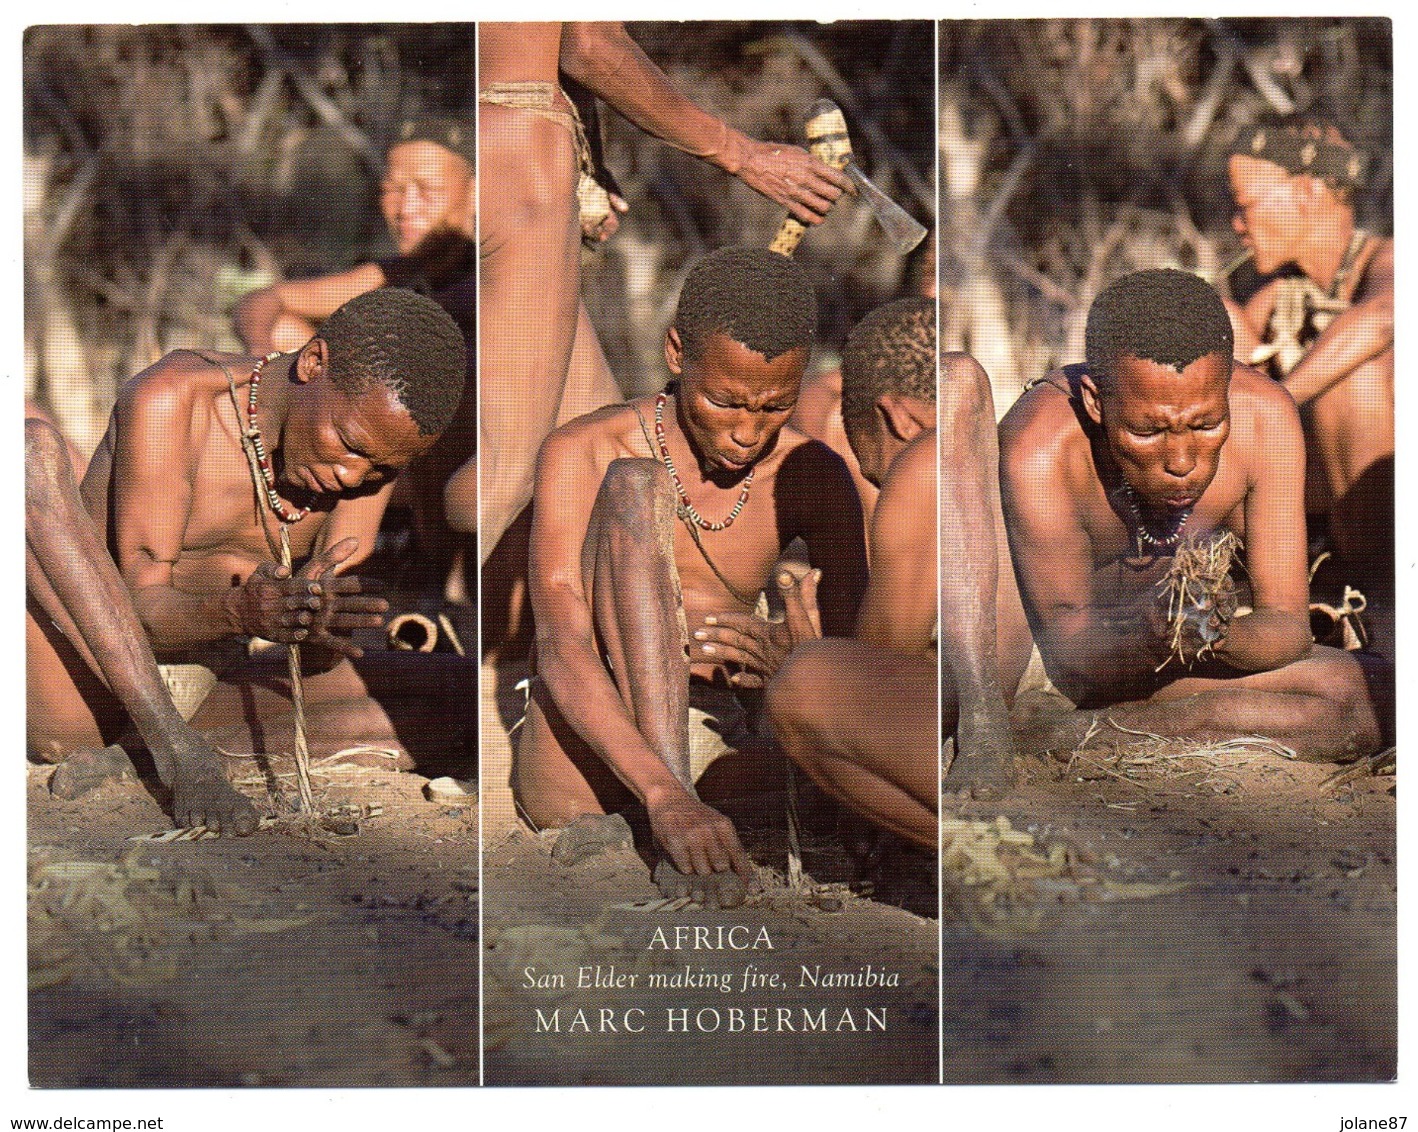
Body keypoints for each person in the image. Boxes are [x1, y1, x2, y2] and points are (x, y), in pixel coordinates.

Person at [513, 247, 868, 907]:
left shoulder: (811, 475)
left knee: (841, 788)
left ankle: (682, 815)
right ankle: (670, 812)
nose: (746, 433)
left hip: (720, 739)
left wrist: (793, 665)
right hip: (592, 751)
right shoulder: (584, 452)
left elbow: (858, 665)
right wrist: (666, 795)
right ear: (677, 353)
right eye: (727, 402)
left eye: (773, 408)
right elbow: (560, 645)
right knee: (634, 489)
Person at [27, 288, 474, 805]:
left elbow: (313, 660)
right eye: (348, 445)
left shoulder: (370, 461)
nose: (353, 476)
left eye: (381, 467)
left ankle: (136, 759)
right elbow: (140, 610)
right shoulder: (179, 398)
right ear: (313, 362)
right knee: (28, 454)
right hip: (85, 676)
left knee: (463, 694)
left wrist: (314, 624)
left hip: (206, 686)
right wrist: (240, 612)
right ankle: (174, 752)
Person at [477, 22, 853, 565]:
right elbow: (587, 42)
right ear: (675, 351)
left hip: (514, 133)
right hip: (521, 137)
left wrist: (586, 158)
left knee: (593, 446)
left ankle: (513, 636)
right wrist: (742, 154)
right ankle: (459, 629)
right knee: (506, 471)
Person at [998, 269, 1388, 763]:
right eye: (1147, 432)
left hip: (1176, 663)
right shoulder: (1041, 446)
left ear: (1228, 386)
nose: (1182, 462)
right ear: (1097, 403)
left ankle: (1084, 737)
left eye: (1207, 425)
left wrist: (1219, 635)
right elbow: (1071, 655)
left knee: (1373, 693)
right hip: (1066, 662)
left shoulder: (1266, 417)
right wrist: (1150, 633)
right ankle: (1063, 735)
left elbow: (1288, 625)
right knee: (1332, 711)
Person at [753, 299, 1025, 848]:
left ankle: (981, 850)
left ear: (895, 416)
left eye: (867, 462)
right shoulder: (989, 448)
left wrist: (801, 645)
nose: (874, 482)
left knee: (801, 687)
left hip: (942, 740)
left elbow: (879, 661)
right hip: (981, 719)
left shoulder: (923, 465)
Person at [235, 117, 483, 598]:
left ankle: (415, 575)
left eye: (426, 190)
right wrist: (261, 362)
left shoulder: (493, 269)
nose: (405, 207)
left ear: (475, 192)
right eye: (393, 189)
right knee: (294, 339)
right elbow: (262, 300)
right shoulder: (402, 272)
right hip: (373, 459)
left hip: (470, 472)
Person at [1225, 115, 1393, 656]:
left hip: (1382, 518)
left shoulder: (1385, 261)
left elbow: (1385, 316)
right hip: (1314, 517)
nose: (1236, 224)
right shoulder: (1272, 292)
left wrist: (1277, 400)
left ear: (1307, 192)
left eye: (1246, 203)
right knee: (1216, 320)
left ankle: (1382, 604)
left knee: (1355, 378)